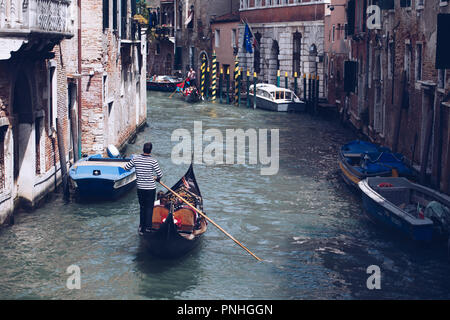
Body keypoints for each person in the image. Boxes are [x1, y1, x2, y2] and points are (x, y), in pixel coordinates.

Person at [124, 142, 163, 235]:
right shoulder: (153, 161)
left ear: (143, 149)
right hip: (150, 188)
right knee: (149, 208)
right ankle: (148, 228)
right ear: (151, 150)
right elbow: (160, 174)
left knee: (142, 207)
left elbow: (126, 168)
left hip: (140, 188)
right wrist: (156, 178)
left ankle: (142, 227)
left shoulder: (135, 159)